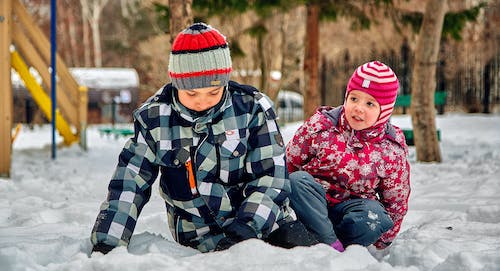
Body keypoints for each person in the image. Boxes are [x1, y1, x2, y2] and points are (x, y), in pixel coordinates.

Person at [90, 22, 316, 254]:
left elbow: (271, 177)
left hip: (265, 224)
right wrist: (108, 242)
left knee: (303, 260)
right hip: (201, 237)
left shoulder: (252, 109)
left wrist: (247, 228)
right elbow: (130, 184)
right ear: (176, 83)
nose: (202, 101)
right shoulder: (155, 119)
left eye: (213, 92)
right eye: (192, 93)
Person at [286, 61, 411, 252]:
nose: (358, 108)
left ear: (384, 111)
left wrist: (384, 239)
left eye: (369, 103)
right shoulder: (321, 127)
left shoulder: (390, 149)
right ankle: (330, 244)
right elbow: (290, 162)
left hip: (352, 213)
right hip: (313, 208)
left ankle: (330, 242)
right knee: (297, 181)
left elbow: (396, 198)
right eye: (354, 99)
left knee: (376, 217)